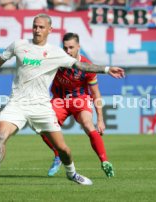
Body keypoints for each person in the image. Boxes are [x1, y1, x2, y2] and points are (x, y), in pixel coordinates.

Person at [0, 13, 125, 186]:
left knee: (63, 149)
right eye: (35, 26)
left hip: (41, 106)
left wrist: (107, 68)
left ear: (50, 30)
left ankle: (71, 173)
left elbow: (81, 65)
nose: (37, 30)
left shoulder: (56, 53)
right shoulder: (19, 45)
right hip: (17, 103)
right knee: (0, 135)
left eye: (41, 27)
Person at [41, 32, 114, 178]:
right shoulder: (57, 60)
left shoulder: (87, 67)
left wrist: (100, 118)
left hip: (80, 100)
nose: (68, 51)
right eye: (65, 48)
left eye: (71, 47)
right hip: (59, 100)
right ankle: (58, 155)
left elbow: (95, 93)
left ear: (78, 47)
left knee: (88, 124)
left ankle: (105, 161)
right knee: (43, 127)